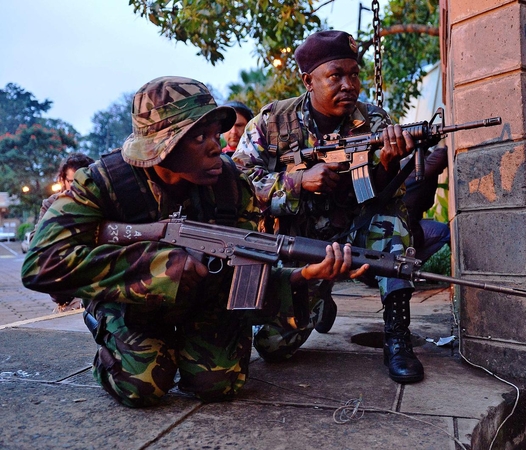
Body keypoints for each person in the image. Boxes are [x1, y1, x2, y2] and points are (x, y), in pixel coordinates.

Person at [22, 76, 366, 408]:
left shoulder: (231, 185)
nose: (217, 146)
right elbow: (41, 264)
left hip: (204, 297)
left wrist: (303, 277)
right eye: (200, 137)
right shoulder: (103, 182)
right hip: (129, 302)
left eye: (215, 134)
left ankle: (177, 342)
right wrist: (158, 269)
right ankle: (110, 330)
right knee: (142, 387)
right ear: (162, 147)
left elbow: (245, 277)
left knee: (218, 384)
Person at [232, 30, 424, 383]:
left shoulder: (374, 121)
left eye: (354, 74)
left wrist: (387, 165)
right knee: (274, 348)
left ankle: (398, 337)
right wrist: (298, 182)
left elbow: (383, 196)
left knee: (390, 222)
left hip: (353, 229)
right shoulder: (271, 122)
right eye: (336, 76)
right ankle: (320, 298)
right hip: (299, 245)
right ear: (309, 80)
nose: (349, 85)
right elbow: (238, 181)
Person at [35, 152, 95, 312]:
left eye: (83, 181)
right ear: (63, 180)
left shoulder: (102, 202)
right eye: (72, 181)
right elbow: (37, 243)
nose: (78, 186)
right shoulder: (52, 204)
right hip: (68, 289)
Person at [402, 145, 451, 263]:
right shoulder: (414, 167)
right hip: (403, 230)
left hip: (390, 229)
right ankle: (408, 268)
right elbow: (441, 156)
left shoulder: (401, 164)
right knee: (444, 232)